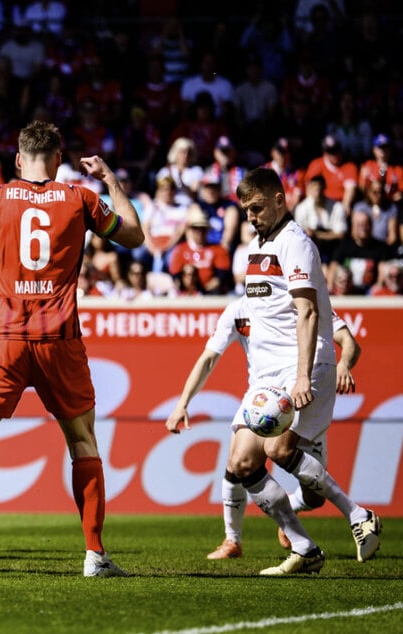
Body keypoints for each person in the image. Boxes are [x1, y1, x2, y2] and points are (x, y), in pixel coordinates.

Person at [0, 120, 144, 578]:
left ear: (18, 160)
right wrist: (112, 181)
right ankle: (95, 555)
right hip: (59, 339)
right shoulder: (80, 199)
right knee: (82, 441)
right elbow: (135, 236)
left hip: (3, 338)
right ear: (58, 160)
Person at [204, 167, 381, 575]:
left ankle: (358, 515)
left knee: (278, 450)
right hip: (265, 376)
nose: (251, 216)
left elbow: (308, 312)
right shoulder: (254, 247)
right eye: (245, 209)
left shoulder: (295, 244)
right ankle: (305, 548)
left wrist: (303, 376)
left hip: (299, 366)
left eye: (258, 208)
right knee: (242, 464)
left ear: (280, 200)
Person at [165, 298, 361, 559]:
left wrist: (344, 364)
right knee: (240, 460)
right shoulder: (238, 310)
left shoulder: (302, 303)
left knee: (315, 498)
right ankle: (233, 540)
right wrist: (183, 403)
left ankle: (294, 506)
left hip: (302, 391)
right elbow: (209, 357)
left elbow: (348, 341)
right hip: (264, 397)